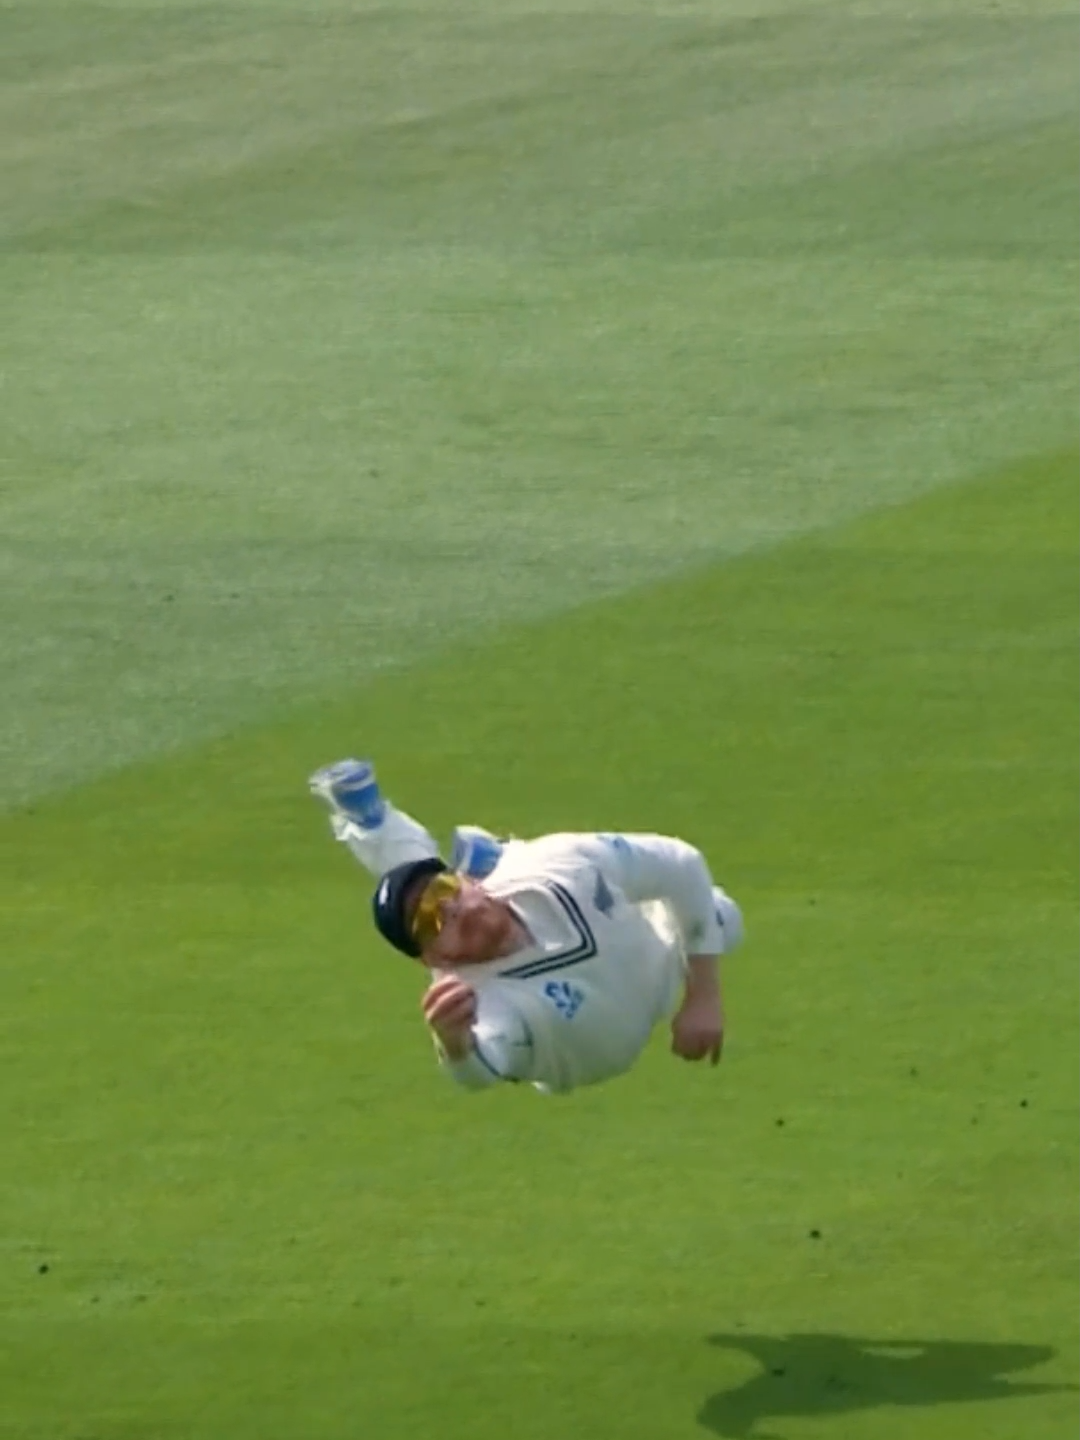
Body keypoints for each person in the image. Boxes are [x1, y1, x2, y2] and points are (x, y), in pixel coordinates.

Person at [309, 758, 744, 1096]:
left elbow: (681, 862)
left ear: (470, 882)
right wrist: (455, 1045)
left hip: (658, 965)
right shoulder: (482, 1002)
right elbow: (477, 1074)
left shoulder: (559, 863)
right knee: (414, 894)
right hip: (581, 1062)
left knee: (721, 914)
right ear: (435, 960)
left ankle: (385, 826)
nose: (453, 912)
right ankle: (374, 824)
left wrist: (704, 997)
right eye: (432, 923)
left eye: (448, 892)